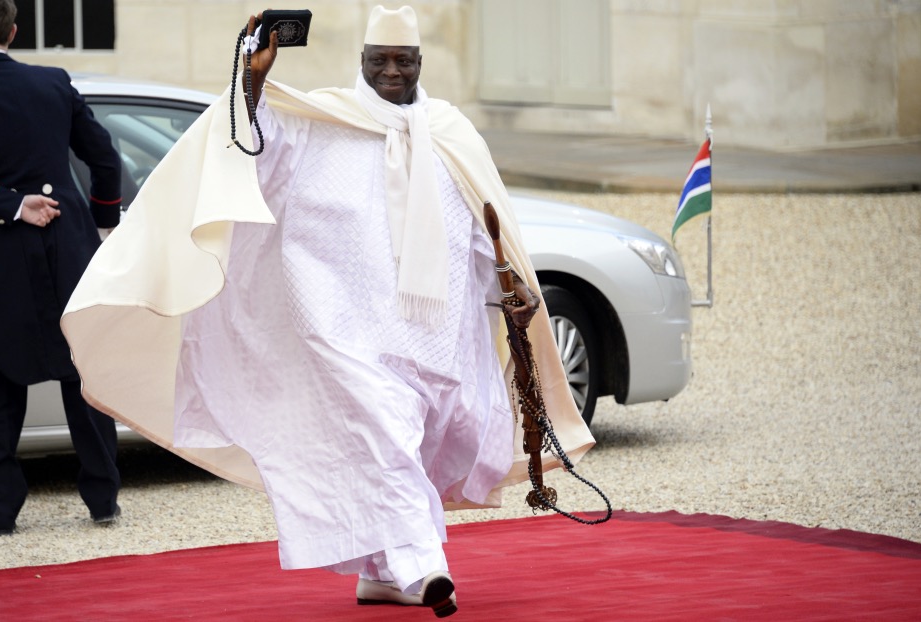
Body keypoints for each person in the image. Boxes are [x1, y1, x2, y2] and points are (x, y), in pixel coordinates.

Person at [61, 5, 594, 617]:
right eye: (378, 61)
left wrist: (514, 283)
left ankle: (380, 575)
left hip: (435, 331)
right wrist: (253, 77)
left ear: (421, 63)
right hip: (341, 324)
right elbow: (252, 145)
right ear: (360, 62)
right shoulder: (321, 121)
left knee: (427, 440)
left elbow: (482, 223)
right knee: (386, 432)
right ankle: (425, 565)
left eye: (403, 61)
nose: (391, 72)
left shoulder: (451, 132)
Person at [0, 0, 123, 536]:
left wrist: (8, 203)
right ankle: (103, 501)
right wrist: (103, 222)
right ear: (13, 31)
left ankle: (0, 515)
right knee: (83, 372)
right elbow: (105, 159)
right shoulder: (54, 83)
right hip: (68, 244)